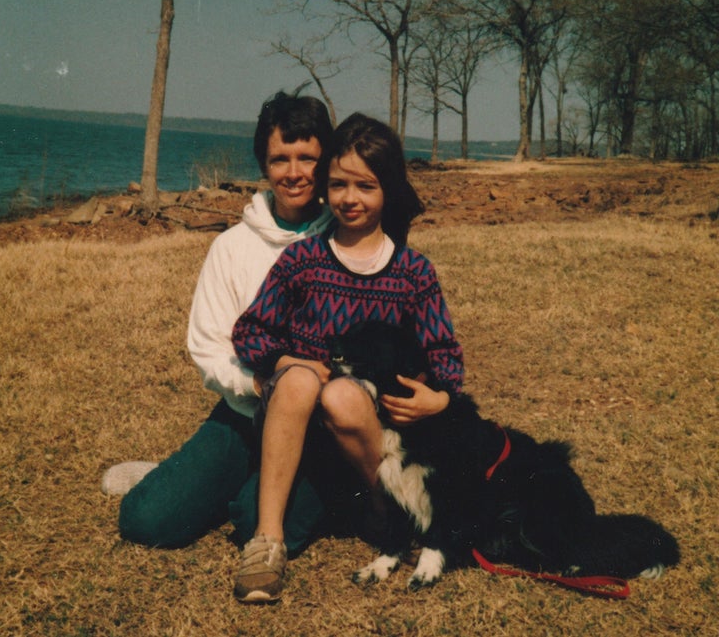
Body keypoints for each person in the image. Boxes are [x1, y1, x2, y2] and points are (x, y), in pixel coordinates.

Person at [231, 112, 464, 602]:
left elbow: (445, 356)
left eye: (366, 186)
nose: (349, 198)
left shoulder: (412, 271)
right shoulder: (302, 260)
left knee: (342, 394)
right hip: (296, 429)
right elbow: (249, 332)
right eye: (338, 184)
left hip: (370, 440)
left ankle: (389, 515)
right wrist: (288, 362)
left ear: (389, 190)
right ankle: (266, 543)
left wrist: (438, 401)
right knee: (302, 383)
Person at [107, 90, 338, 555]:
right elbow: (209, 349)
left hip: (323, 428)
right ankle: (188, 476)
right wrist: (258, 386)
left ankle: (280, 490)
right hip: (245, 414)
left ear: (327, 160)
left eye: (307, 157)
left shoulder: (345, 236)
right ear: (263, 165)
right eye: (280, 159)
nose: (294, 172)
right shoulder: (232, 247)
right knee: (145, 519)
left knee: (259, 521)